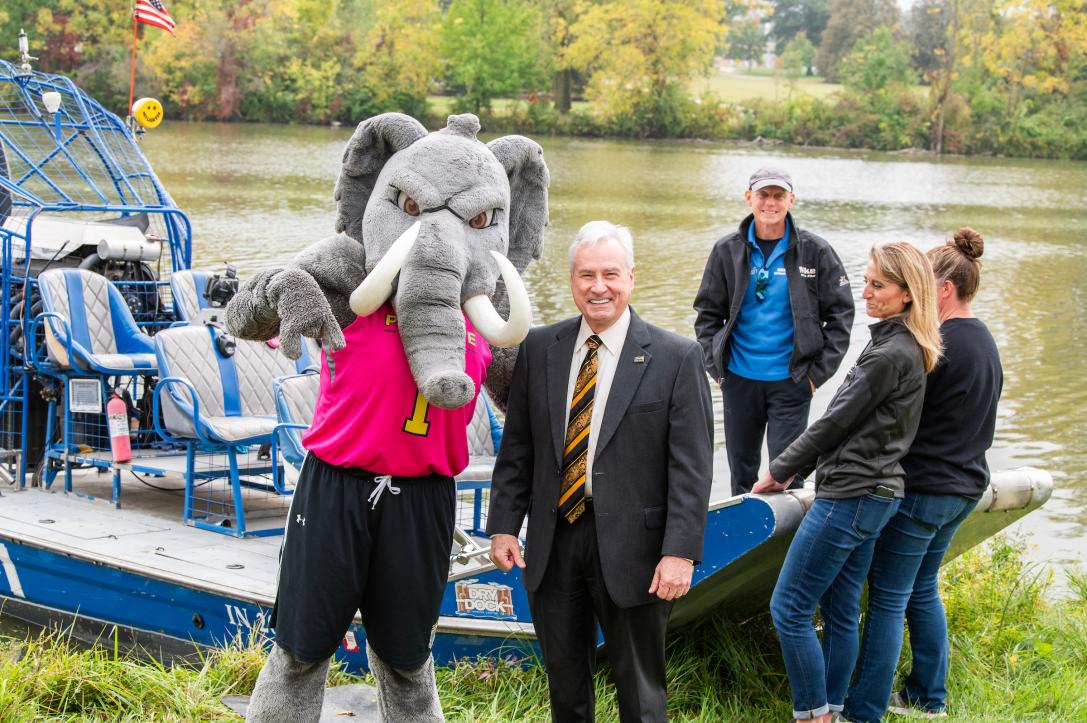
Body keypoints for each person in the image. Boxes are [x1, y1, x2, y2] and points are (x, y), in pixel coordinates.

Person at [487, 221, 714, 722]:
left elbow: (693, 470)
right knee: (566, 690)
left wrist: (680, 552)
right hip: (554, 540)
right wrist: (504, 522)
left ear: (630, 277)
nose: (598, 287)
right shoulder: (540, 348)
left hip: (637, 549)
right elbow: (518, 447)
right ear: (572, 281)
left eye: (610, 273)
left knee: (641, 691)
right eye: (586, 275)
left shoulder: (677, 358)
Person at [752, 242, 942, 723]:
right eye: (867, 281)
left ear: (907, 294)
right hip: (876, 495)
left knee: (789, 608)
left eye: (878, 285)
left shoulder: (889, 354)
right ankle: (835, 710)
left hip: (853, 495)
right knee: (839, 609)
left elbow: (832, 422)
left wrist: (779, 470)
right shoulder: (901, 345)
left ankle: (813, 715)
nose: (866, 293)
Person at [843, 229, 1003, 723]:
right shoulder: (985, 340)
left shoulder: (940, 344)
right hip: (965, 486)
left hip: (926, 490)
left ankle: (864, 708)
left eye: (924, 284)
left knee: (888, 600)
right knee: (921, 588)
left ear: (945, 290)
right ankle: (928, 697)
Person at [694, 167, 854, 497]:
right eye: (763, 194)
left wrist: (814, 377)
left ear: (791, 200)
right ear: (748, 197)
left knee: (787, 475)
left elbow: (841, 316)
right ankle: (744, 543)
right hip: (738, 381)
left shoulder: (816, 251)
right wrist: (717, 370)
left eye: (779, 195)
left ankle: (785, 548)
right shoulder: (727, 250)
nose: (770, 202)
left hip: (792, 383)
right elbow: (707, 316)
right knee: (742, 473)